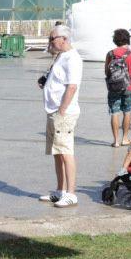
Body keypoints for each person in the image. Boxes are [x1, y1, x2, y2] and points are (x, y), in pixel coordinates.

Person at [38, 25, 82, 207]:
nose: (50, 42)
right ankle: (60, 190)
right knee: (56, 152)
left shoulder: (72, 58)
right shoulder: (61, 56)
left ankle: (71, 193)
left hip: (64, 112)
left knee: (65, 152)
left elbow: (72, 86)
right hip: (53, 110)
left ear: (63, 38)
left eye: (52, 39)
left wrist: (62, 110)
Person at [104, 28, 131, 147]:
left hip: (114, 87)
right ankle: (125, 138)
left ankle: (116, 141)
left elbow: (106, 72)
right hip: (128, 87)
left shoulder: (110, 54)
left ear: (115, 40)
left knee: (115, 113)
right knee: (127, 111)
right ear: (127, 39)